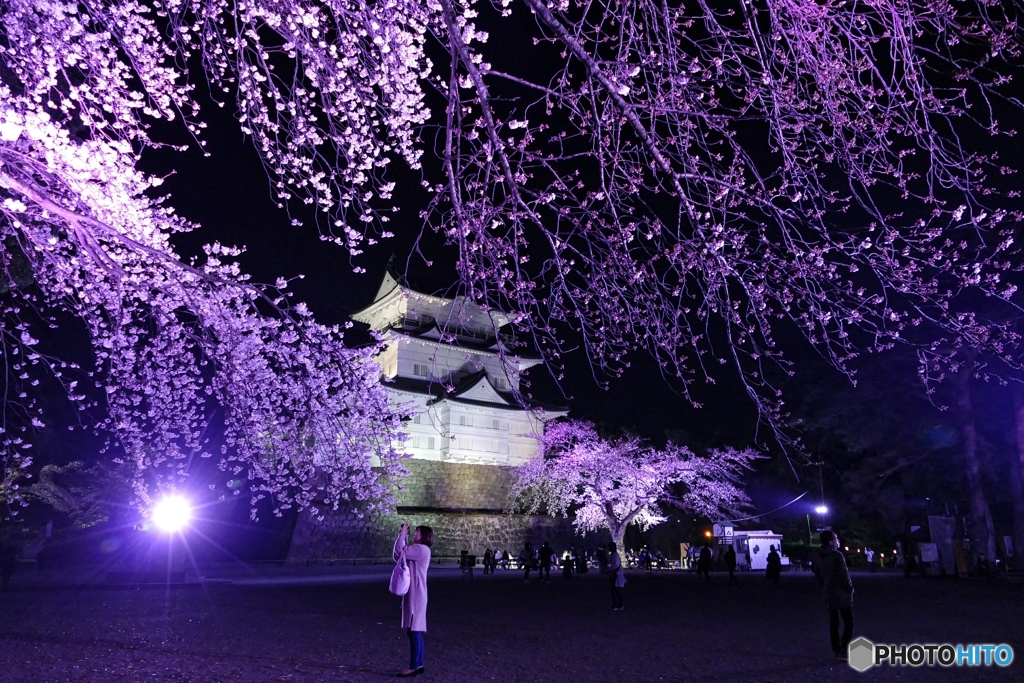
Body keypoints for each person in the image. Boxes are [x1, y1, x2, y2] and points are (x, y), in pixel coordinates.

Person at [394, 523, 433, 677]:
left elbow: (400, 551)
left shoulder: (421, 549)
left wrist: (403, 534)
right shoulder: (420, 550)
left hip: (416, 594)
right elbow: (398, 555)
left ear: (423, 536)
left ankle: (413, 666)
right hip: (417, 593)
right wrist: (402, 536)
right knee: (415, 630)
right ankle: (419, 663)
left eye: (417, 532)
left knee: (414, 630)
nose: (415, 534)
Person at [814, 530, 854, 661]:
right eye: (836, 539)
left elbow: (818, 575)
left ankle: (836, 650)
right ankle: (844, 649)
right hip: (841, 592)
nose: (838, 541)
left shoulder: (818, 556)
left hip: (828, 592)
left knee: (834, 623)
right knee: (849, 622)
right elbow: (844, 574)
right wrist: (850, 588)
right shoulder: (837, 555)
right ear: (831, 541)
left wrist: (824, 587)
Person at [608, 541, 626, 610]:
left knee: (615, 590)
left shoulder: (615, 555)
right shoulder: (613, 554)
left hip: (615, 574)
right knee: (615, 590)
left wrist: (609, 567)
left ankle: (618, 605)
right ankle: (617, 604)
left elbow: (616, 565)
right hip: (614, 574)